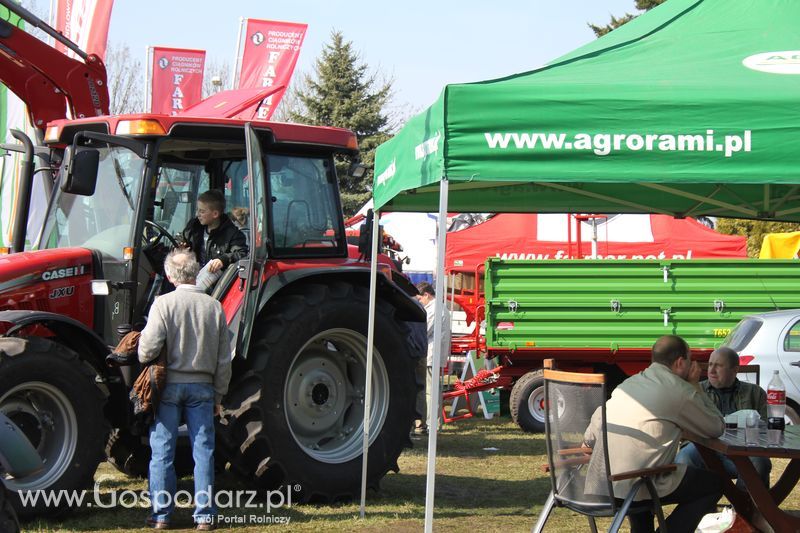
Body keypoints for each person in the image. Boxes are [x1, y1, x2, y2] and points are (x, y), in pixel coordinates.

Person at [583, 335, 724, 533]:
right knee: (715, 484)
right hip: (639, 483)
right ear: (680, 362)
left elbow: (597, 422)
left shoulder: (629, 384)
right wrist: (695, 386)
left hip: (604, 483)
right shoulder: (680, 390)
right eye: (691, 360)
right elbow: (716, 427)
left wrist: (587, 442)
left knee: (644, 470)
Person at [138, 249, 232, 530]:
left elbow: (146, 351)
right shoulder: (214, 307)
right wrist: (219, 394)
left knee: (162, 451)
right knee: (203, 451)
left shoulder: (163, 304)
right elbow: (223, 359)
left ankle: (161, 515)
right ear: (195, 272)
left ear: (169, 275)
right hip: (203, 387)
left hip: (168, 387)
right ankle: (204, 515)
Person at [676, 346, 771, 487]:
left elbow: (766, 429)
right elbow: (683, 428)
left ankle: (742, 506)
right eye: (710, 364)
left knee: (760, 462)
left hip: (742, 453)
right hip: (703, 449)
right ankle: (701, 505)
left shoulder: (754, 393)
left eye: (719, 365)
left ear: (735, 370)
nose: (712, 370)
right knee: (684, 458)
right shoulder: (695, 391)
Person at [414, 281, 451, 435]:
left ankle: (431, 424)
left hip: (431, 354)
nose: (420, 303)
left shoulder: (433, 309)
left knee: (430, 391)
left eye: (420, 299)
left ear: (426, 295)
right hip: (434, 354)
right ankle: (430, 422)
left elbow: (424, 330)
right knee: (431, 390)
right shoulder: (440, 307)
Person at [181, 190, 248, 275]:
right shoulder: (194, 227)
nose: (198, 214)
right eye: (197, 210)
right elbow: (182, 238)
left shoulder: (232, 234)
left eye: (202, 211)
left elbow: (241, 253)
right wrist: (181, 245)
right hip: (194, 275)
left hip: (216, 282)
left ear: (215, 214)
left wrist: (223, 260)